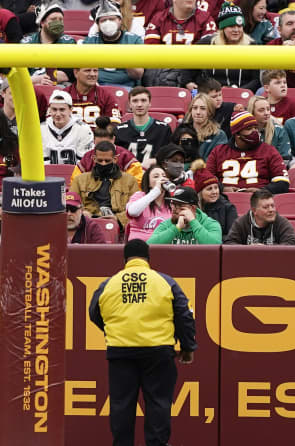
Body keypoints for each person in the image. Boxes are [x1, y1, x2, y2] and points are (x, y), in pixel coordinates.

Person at [89, 238, 196, 446]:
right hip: (158, 352)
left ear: (124, 259)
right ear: (148, 258)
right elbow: (184, 315)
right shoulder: (165, 281)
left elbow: (94, 312)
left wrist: (113, 330)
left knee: (121, 405)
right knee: (158, 403)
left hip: (120, 351)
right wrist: (187, 347)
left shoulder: (109, 283)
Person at [148, 184, 221, 244]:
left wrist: (193, 222)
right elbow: (150, 245)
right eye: (173, 204)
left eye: (180, 205)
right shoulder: (167, 225)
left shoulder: (210, 224)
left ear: (192, 208)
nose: (174, 209)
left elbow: (215, 246)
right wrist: (176, 229)